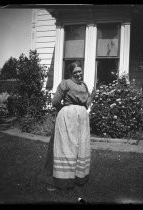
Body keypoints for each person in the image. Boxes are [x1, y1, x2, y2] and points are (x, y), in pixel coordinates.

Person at [44, 62, 96, 191]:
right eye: (76, 72)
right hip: (68, 116)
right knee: (66, 146)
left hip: (82, 118)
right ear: (70, 73)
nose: (79, 74)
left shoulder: (83, 85)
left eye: (80, 71)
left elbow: (86, 104)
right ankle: (63, 181)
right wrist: (64, 109)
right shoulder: (65, 83)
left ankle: (79, 178)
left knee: (80, 145)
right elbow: (55, 101)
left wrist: (93, 96)